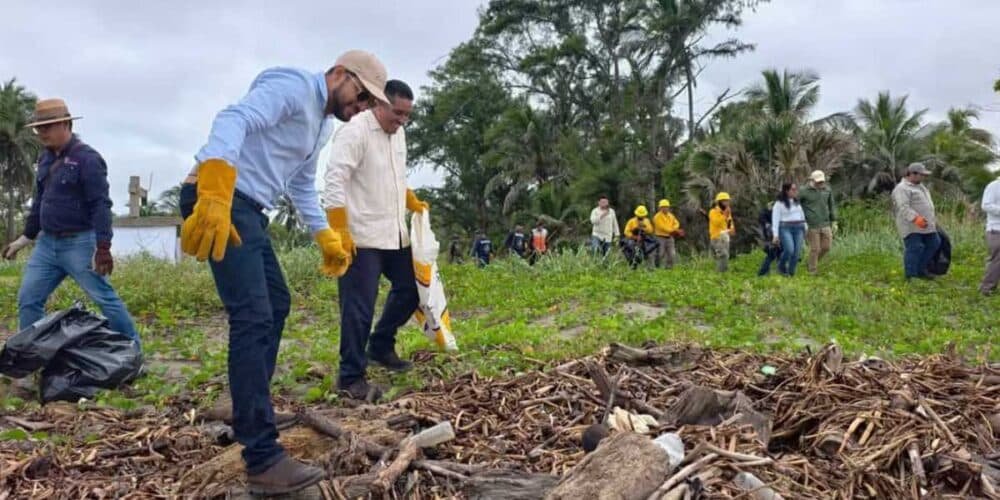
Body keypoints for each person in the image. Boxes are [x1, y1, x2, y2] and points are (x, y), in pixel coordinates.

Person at [180, 51, 386, 494]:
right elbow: (233, 119)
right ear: (340, 75)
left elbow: (299, 185)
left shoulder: (320, 124)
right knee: (253, 315)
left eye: (369, 103)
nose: (362, 108)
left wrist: (326, 236)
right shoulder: (293, 86)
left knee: (276, 304)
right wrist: (214, 192)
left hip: (247, 208)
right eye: (362, 95)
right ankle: (262, 457)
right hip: (220, 199)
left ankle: (247, 406)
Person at [322, 79, 429, 402]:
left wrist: (409, 199)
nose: (402, 121)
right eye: (397, 113)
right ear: (378, 103)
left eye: (407, 116)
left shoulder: (399, 134)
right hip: (361, 237)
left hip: (394, 233)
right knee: (358, 308)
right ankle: (351, 377)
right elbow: (334, 180)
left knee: (414, 287)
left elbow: (395, 175)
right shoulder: (354, 130)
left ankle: (381, 344)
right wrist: (337, 229)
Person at [2, 98, 140, 344]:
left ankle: (132, 350)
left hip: (79, 244)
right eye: (38, 128)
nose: (41, 133)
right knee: (29, 299)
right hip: (46, 245)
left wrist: (103, 247)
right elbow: (39, 202)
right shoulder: (45, 159)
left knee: (104, 298)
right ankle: (31, 358)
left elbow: (100, 204)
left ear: (66, 124)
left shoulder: (88, 159)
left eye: (48, 127)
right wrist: (23, 239)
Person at [891, 162, 940, 280]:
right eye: (921, 175)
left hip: (926, 225)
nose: (924, 177)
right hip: (910, 225)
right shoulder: (902, 188)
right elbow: (903, 207)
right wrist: (915, 218)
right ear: (912, 174)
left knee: (935, 243)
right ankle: (911, 275)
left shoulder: (921, 187)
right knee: (915, 247)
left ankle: (920, 270)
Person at [799, 170, 837, 274]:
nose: (820, 184)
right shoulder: (803, 191)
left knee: (826, 247)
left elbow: (831, 205)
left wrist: (834, 221)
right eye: (818, 182)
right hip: (811, 224)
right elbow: (796, 205)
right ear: (811, 180)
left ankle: (810, 263)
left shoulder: (827, 190)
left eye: (822, 181)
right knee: (815, 249)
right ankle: (812, 271)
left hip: (825, 223)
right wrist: (802, 220)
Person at [772, 183, 808, 276]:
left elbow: (801, 214)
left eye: (796, 189)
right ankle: (781, 266)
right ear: (786, 191)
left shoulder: (796, 202)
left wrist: (805, 226)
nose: (795, 191)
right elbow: (775, 219)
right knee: (789, 249)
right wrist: (775, 235)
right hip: (785, 227)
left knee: (797, 252)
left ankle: (791, 272)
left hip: (799, 227)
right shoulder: (779, 204)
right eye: (793, 189)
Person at [979, 176, 1000, 295]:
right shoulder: (994, 186)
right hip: (996, 229)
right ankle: (986, 288)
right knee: (997, 260)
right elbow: (985, 205)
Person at [652, 199, 683, 269]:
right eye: (663, 207)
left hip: (670, 237)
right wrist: (675, 230)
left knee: (672, 254)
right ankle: (657, 267)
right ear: (660, 208)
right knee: (660, 254)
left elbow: (677, 223)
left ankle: (669, 268)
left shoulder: (671, 216)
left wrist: (674, 229)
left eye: (666, 207)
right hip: (660, 237)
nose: (665, 208)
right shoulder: (657, 217)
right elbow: (663, 228)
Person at [708, 192, 734, 272]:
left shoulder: (727, 212)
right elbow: (716, 222)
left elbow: (730, 223)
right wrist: (724, 215)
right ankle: (720, 274)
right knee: (723, 255)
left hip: (725, 237)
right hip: (717, 237)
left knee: (725, 256)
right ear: (719, 202)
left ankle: (724, 273)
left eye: (727, 201)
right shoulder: (713, 212)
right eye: (724, 201)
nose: (726, 203)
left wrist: (731, 229)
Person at [757, 202, 780, 276]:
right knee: (772, 253)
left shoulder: (773, 211)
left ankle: (780, 270)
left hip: (771, 235)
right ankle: (762, 273)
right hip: (770, 236)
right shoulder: (766, 213)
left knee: (778, 253)